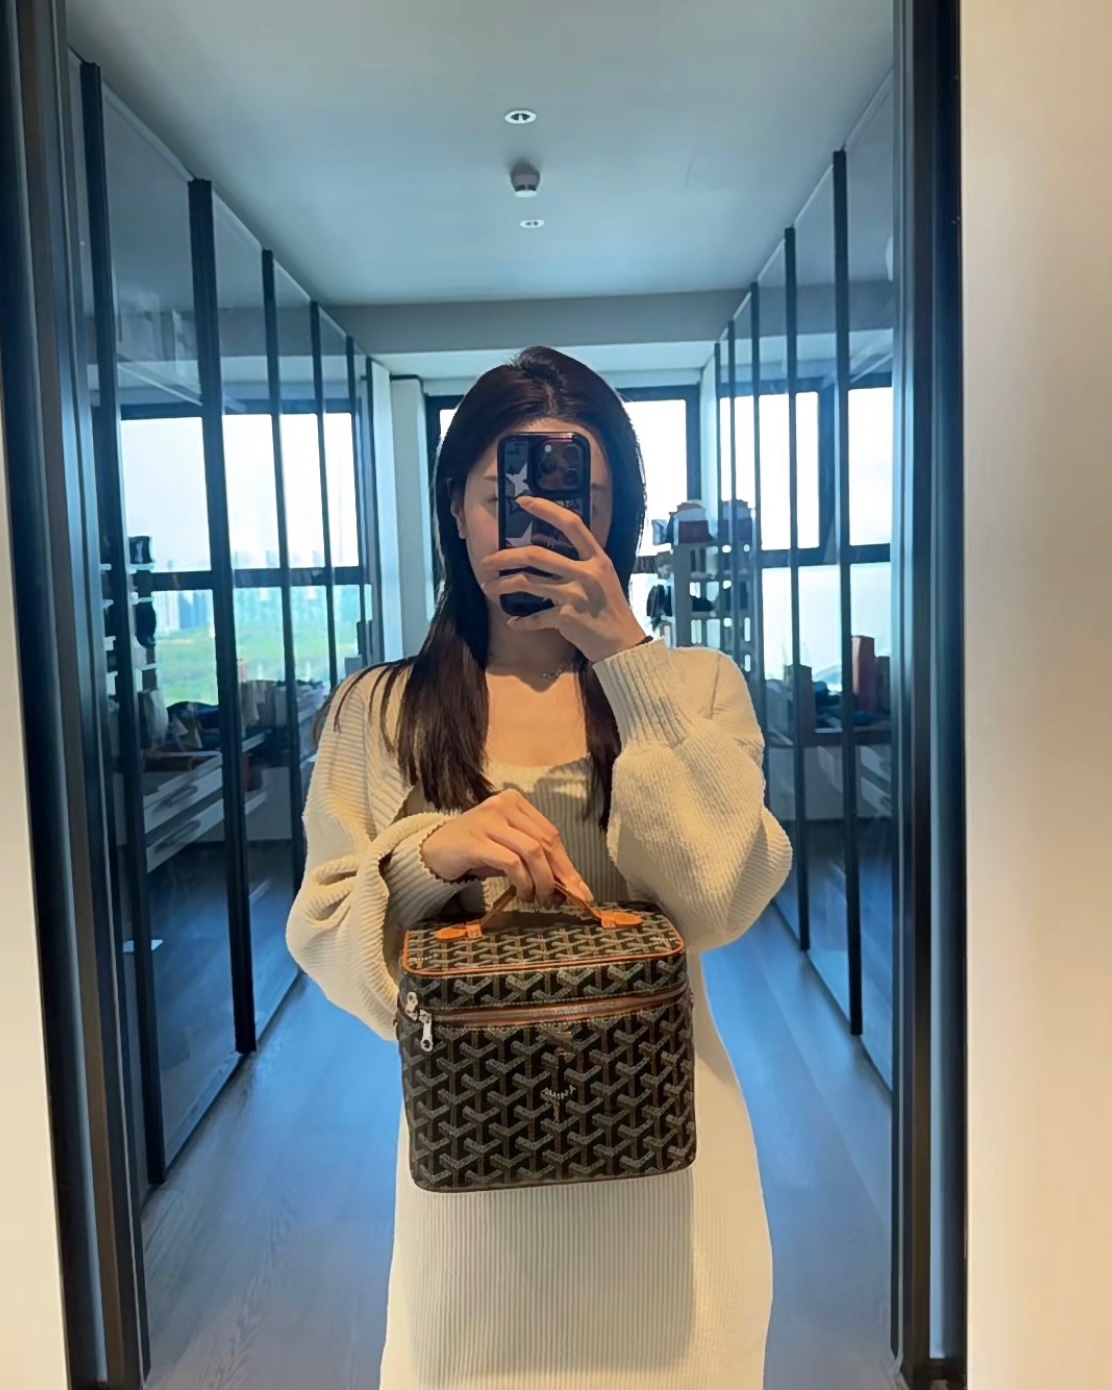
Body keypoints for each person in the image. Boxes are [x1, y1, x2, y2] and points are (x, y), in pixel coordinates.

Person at [287, 347, 792, 1389]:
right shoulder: (379, 711)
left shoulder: (695, 688)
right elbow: (329, 940)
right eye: (505, 496)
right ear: (457, 508)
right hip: (475, 1199)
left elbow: (719, 898)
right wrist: (427, 855)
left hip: (671, 1183)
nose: (540, 526)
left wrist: (626, 660)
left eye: (579, 502)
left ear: (616, 518)